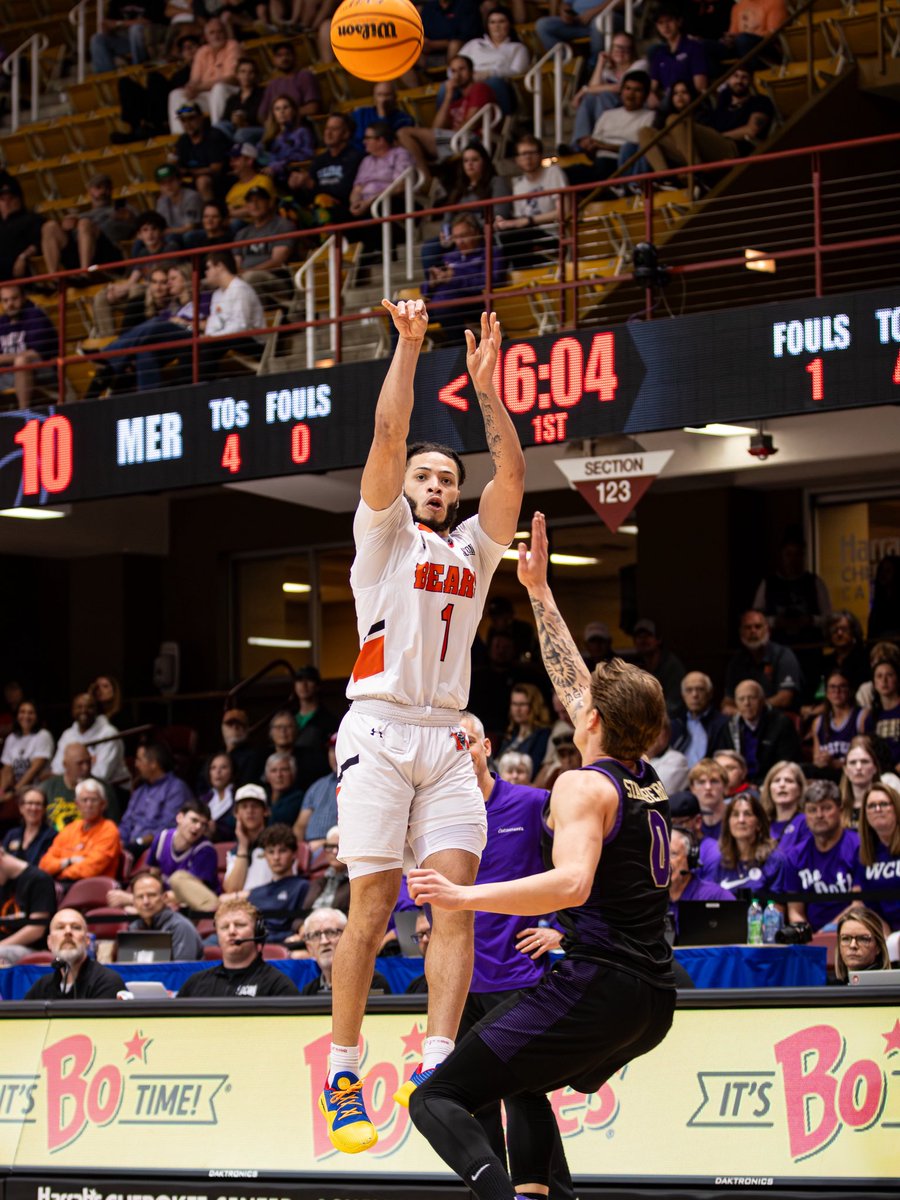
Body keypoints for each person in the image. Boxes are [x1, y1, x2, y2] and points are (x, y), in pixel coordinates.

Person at [406, 510, 676, 1200]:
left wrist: (463, 898)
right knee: (521, 1086)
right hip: (653, 998)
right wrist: (537, 591)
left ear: (592, 720)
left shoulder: (583, 784)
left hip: (600, 985)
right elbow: (576, 684)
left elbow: (573, 882)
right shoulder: (644, 777)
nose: (576, 696)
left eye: (586, 699)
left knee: (436, 1101)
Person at [318, 301, 524, 1154]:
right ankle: (341, 1069)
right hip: (375, 727)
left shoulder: (476, 549)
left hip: (445, 736)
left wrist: (488, 392)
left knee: (454, 905)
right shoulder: (381, 535)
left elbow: (511, 474)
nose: (437, 483)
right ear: (403, 488)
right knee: (370, 909)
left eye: (448, 477)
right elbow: (388, 432)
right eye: (424, 475)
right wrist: (407, 349)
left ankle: (440, 1065)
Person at [453, 710, 575, 1200]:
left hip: (519, 975)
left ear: (487, 746)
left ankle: (550, 1195)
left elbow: (583, 865)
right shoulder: (437, 816)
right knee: (473, 1101)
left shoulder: (531, 804)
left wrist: (559, 928)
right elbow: (405, 886)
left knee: (525, 1093)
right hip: (459, 982)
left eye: (465, 740)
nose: (457, 751)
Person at [397, 56, 496, 186]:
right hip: (454, 138)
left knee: (404, 133)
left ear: (471, 71)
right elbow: (436, 128)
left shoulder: (479, 88)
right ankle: (428, 182)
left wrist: (453, 132)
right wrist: (448, 95)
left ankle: (427, 182)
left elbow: (471, 123)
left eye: (462, 69)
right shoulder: (456, 101)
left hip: (471, 138)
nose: (457, 75)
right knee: (404, 143)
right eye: (453, 71)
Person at [178, 897, 300, 996]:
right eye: (224, 927)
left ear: (257, 932)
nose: (231, 931)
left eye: (240, 925)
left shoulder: (278, 986)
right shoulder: (195, 984)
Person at [783, 780, 859, 932]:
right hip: (811, 937)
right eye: (812, 810)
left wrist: (828, 932)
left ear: (841, 810)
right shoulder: (795, 856)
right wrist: (807, 935)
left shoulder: (858, 846)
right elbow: (795, 910)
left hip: (852, 931)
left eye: (826, 808)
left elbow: (859, 905)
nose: (819, 815)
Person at [424, 214, 505, 339]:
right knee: (399, 309)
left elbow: (492, 281)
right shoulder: (449, 257)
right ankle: (394, 357)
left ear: (476, 233)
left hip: (472, 303)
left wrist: (454, 278)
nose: (460, 242)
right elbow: (426, 291)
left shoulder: (490, 253)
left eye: (464, 236)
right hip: (438, 305)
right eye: (456, 237)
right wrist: (431, 283)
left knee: (444, 309)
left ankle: (460, 352)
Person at [41, 174, 141, 276]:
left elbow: (142, 226)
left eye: (107, 187)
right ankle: (54, 277)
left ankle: (85, 273)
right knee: (50, 227)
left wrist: (130, 218)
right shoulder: (81, 215)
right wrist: (66, 226)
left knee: (85, 223)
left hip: (109, 252)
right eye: (98, 187)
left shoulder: (123, 209)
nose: (103, 191)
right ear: (89, 191)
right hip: (79, 253)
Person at [568, 71, 656, 184]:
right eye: (627, 89)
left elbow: (637, 149)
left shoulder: (651, 117)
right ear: (621, 91)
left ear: (646, 95)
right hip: (598, 163)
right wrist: (588, 146)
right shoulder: (607, 115)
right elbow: (594, 145)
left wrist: (604, 146)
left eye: (637, 90)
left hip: (623, 164)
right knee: (564, 173)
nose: (630, 94)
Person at [495, 134, 567, 269]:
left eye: (531, 152)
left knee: (514, 236)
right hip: (529, 237)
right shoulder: (518, 186)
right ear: (517, 159)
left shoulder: (553, 172)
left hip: (554, 235)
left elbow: (564, 211)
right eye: (523, 154)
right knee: (503, 234)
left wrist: (530, 221)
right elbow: (519, 220)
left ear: (540, 155)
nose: (527, 157)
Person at [712, 679, 802, 784]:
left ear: (762, 700)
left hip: (771, 782)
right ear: (735, 703)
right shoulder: (729, 727)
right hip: (738, 784)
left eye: (752, 698)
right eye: (741, 699)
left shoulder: (781, 723)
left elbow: (787, 763)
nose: (747, 703)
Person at [571, 32, 649, 150]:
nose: (620, 51)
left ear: (632, 50)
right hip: (612, 106)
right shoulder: (609, 69)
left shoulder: (640, 64)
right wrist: (600, 62)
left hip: (630, 104)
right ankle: (582, 141)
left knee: (604, 95)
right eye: (617, 47)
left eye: (625, 48)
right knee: (589, 99)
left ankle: (600, 139)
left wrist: (584, 90)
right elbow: (594, 86)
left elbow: (619, 88)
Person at [24, 909, 126, 1000]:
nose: (68, 932)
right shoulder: (41, 987)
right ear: (49, 942)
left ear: (87, 940)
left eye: (76, 927)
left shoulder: (107, 982)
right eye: (60, 927)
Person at [119, 742, 194, 858]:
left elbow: (170, 827)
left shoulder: (176, 788)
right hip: (130, 847)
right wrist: (119, 840)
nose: (136, 764)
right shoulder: (139, 791)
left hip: (155, 849)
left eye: (139, 760)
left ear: (153, 763)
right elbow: (126, 823)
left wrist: (141, 841)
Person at [39, 779, 121, 884]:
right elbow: (45, 864)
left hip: (91, 887)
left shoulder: (109, 829)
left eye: (94, 800)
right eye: (84, 800)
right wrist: (68, 861)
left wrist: (59, 873)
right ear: (77, 804)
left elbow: (90, 869)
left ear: (103, 804)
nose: (89, 805)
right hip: (62, 883)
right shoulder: (70, 828)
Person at [701, 793, 786, 894]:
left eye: (747, 814)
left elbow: (778, 907)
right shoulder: (718, 861)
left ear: (758, 824)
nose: (741, 820)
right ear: (728, 823)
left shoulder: (775, 860)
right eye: (735, 815)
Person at [168, 17, 240, 133]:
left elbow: (230, 78)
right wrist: (190, 89)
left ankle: (218, 132)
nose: (216, 36)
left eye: (219, 32)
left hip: (230, 92)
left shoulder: (232, 45)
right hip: (207, 96)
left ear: (225, 33)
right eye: (212, 33)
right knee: (176, 94)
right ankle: (180, 136)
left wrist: (199, 87)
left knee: (219, 88)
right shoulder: (202, 51)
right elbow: (194, 80)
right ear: (206, 37)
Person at [289, 113, 362, 228]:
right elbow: (308, 196)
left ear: (346, 134)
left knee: (322, 200)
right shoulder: (319, 160)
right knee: (286, 205)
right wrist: (297, 187)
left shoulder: (355, 157)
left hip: (344, 211)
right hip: (317, 210)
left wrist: (313, 185)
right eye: (327, 128)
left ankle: (329, 243)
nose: (328, 133)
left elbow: (345, 191)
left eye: (334, 129)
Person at [146, 798, 220, 909]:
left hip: (199, 908)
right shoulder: (162, 838)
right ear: (179, 817)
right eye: (194, 820)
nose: (198, 827)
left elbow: (191, 893)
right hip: (167, 901)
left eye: (203, 824)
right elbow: (154, 877)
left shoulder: (206, 850)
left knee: (177, 878)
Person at [723, 610, 803, 712]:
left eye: (758, 626)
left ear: (767, 630)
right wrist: (742, 712)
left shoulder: (783, 655)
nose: (753, 631)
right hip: (745, 717)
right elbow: (727, 702)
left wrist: (753, 709)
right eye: (748, 628)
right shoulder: (736, 661)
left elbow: (785, 698)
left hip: (777, 716)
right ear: (741, 632)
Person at [300, 907, 391, 995]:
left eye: (331, 932)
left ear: (348, 939)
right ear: (309, 948)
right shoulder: (309, 991)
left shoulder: (371, 982)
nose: (324, 941)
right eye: (316, 935)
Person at [459, 7, 531, 115]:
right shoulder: (474, 44)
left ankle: (505, 121)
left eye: (501, 22)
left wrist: (490, 73)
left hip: (497, 83)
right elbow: (455, 65)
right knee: (446, 88)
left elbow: (518, 71)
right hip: (469, 80)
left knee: (493, 82)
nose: (496, 26)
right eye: (492, 22)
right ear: (487, 26)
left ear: (509, 24)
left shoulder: (518, 48)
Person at [202, 250, 266, 371]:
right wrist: (210, 336)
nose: (206, 273)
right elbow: (212, 325)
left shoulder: (240, 288)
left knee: (208, 346)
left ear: (220, 266)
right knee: (198, 347)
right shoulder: (217, 294)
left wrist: (212, 337)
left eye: (209, 268)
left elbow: (241, 326)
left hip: (253, 342)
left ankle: (204, 384)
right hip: (227, 340)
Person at [50, 692, 129, 790]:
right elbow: (57, 769)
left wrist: (73, 777)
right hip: (75, 788)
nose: (84, 711)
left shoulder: (109, 733)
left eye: (89, 707)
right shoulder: (67, 734)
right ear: (72, 710)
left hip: (112, 789)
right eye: (79, 707)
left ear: (96, 710)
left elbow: (102, 774)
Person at [233, 186, 296, 308]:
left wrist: (249, 272)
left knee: (250, 278)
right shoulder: (242, 233)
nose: (255, 204)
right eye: (251, 201)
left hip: (277, 279)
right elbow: (236, 263)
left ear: (270, 202)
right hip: (246, 277)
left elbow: (277, 261)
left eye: (259, 200)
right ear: (246, 206)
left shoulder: (282, 225)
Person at [667, 827, 733, 940]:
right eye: (659, 855)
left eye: (673, 854)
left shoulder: (714, 896)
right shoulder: (649, 899)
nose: (664, 862)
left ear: (690, 859)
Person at [246, 824, 308, 942]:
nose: (276, 857)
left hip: (282, 944)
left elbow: (299, 925)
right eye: (270, 852)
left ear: (294, 854)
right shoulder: (255, 893)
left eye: (282, 851)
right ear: (265, 855)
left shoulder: (302, 887)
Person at [127, 867, 204, 960]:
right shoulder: (134, 928)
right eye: (140, 897)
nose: (146, 902)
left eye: (151, 895)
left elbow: (182, 972)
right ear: (134, 901)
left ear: (164, 897)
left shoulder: (181, 927)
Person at [0, 284, 56, 411]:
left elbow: (35, 353)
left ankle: (23, 412)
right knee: (20, 360)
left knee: (22, 361)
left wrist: (5, 358)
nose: (10, 304)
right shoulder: (1, 323)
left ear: (24, 297)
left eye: (14, 299)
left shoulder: (36, 317)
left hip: (42, 370)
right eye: (5, 300)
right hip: (8, 373)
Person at [0, 846, 57, 965]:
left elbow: (36, 930)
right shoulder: (3, 882)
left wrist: (1, 945)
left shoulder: (39, 880)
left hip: (31, 948)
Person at [856, 783, 900, 932]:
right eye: (871, 806)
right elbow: (870, 905)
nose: (878, 810)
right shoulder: (864, 854)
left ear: (896, 808)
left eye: (883, 804)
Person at [39, 743, 113, 831]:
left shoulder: (102, 789)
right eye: (80, 763)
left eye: (88, 762)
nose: (86, 768)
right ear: (65, 765)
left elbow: (113, 825)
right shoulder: (47, 788)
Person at [810, 668, 868, 776]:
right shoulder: (818, 722)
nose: (837, 691)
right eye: (832, 687)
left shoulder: (861, 717)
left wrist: (836, 764)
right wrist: (822, 761)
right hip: (826, 777)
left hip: (853, 775)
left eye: (842, 686)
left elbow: (868, 758)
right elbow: (816, 761)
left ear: (850, 690)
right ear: (826, 692)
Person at [648, 5, 709, 102]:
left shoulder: (693, 47)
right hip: (667, 101)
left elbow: (700, 86)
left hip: (688, 100)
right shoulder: (659, 53)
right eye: (660, 23)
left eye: (669, 21)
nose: (665, 26)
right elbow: (652, 85)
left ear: (679, 22)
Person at [292, 665, 338, 790]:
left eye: (309, 680)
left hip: (317, 781)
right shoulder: (289, 717)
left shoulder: (329, 720)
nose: (304, 685)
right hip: (291, 780)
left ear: (317, 685)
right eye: (299, 680)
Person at [839, 734, 900, 827]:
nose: (858, 767)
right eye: (853, 762)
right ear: (845, 770)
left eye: (864, 762)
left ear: (875, 768)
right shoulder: (837, 805)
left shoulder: (889, 803)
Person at [174, 104, 232, 202]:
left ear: (201, 118)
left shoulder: (214, 136)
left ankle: (210, 213)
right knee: (169, 184)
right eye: (183, 121)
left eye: (191, 119)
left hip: (222, 180)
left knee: (202, 181)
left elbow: (216, 169)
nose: (187, 124)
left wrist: (189, 172)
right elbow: (180, 167)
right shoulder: (183, 140)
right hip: (194, 179)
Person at [670, 671, 728, 767]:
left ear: (710, 694)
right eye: (689, 690)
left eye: (700, 689)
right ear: (683, 695)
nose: (695, 695)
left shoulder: (722, 724)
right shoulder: (675, 723)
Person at [222, 783, 273, 893]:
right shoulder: (234, 851)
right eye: (244, 806)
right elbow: (232, 889)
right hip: (238, 907)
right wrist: (243, 847)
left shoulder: (276, 844)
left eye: (255, 806)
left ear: (266, 811)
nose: (249, 811)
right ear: (236, 813)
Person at [0, 700, 54, 801]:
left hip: (38, 790)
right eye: (22, 712)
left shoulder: (43, 735)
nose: (26, 716)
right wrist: (2, 792)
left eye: (31, 713)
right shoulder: (12, 738)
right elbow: (7, 769)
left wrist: (14, 791)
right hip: (16, 792)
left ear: (37, 716)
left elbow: (34, 769)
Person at [90, 0, 163, 74]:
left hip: (149, 37)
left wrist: (119, 23)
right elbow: (110, 23)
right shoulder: (116, 2)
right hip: (125, 41)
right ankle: (107, 77)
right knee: (97, 39)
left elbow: (147, 21)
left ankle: (137, 68)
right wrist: (106, 27)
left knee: (135, 29)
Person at [259, 94, 316, 188]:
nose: (281, 112)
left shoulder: (302, 132)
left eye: (285, 107)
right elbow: (261, 156)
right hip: (269, 177)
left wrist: (283, 163)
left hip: (292, 174)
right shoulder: (269, 136)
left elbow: (307, 153)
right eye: (277, 109)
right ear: (273, 113)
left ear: (293, 111)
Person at [535, 0, 610, 69]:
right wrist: (565, 12)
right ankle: (570, 61)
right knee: (543, 25)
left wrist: (592, 12)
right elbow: (566, 3)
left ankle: (593, 67)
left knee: (598, 22)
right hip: (576, 20)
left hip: (605, 18)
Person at [498, 683, 552, 779]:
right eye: (514, 704)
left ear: (534, 706)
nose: (517, 709)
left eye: (522, 704)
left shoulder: (543, 735)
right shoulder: (511, 734)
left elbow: (533, 770)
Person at [257, 42, 321, 122]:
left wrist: (287, 115)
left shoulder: (305, 76)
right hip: (276, 128)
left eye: (288, 54)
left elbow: (313, 108)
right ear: (274, 60)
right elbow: (262, 114)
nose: (284, 58)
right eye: (279, 55)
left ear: (295, 57)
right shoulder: (272, 84)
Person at [294, 735, 338, 850]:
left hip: (337, 850)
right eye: (332, 750)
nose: (336, 756)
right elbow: (300, 826)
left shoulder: (357, 783)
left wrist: (324, 844)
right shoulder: (318, 785)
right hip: (310, 850)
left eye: (339, 749)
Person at [0, 178, 45, 285]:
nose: (7, 202)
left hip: (20, 273)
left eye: (11, 198)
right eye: (2, 199)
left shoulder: (32, 219)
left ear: (19, 199)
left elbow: (39, 242)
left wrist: (23, 256)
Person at [833, 906, 892, 983]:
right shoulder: (829, 987)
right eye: (846, 938)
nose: (853, 945)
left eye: (863, 939)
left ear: (878, 947)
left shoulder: (892, 987)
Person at [215, 56, 265, 145]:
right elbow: (224, 119)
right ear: (237, 75)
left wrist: (245, 121)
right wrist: (233, 120)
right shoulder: (233, 99)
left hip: (257, 128)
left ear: (255, 75)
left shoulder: (262, 94)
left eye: (251, 72)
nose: (246, 76)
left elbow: (264, 118)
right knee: (218, 128)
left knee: (241, 134)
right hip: (236, 130)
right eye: (243, 72)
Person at [350, 82, 414, 152]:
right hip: (357, 153)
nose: (383, 99)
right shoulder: (361, 113)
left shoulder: (404, 119)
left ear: (395, 97)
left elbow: (385, 140)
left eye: (387, 95)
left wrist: (382, 114)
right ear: (374, 97)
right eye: (379, 95)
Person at [759, 759, 808, 848]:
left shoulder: (806, 822)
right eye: (777, 780)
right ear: (769, 789)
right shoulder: (762, 824)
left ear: (800, 789)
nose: (782, 785)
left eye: (789, 781)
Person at [2, 788, 55, 865]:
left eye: (38, 804)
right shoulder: (12, 834)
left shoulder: (52, 836)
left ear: (44, 809)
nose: (33, 808)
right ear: (21, 808)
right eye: (30, 803)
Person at [865, 656, 900, 771]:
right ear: (874, 683)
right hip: (881, 771)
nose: (884, 681)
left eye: (889, 675)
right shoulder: (872, 717)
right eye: (879, 676)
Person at [154, 165, 204, 243]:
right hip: (174, 234)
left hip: (195, 234)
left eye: (170, 181)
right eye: (163, 183)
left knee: (177, 237)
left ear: (180, 180)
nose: (168, 186)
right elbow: (160, 226)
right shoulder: (161, 200)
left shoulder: (192, 196)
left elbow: (190, 228)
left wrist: (167, 231)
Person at [648, 717, 690, 794]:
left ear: (668, 734)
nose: (652, 734)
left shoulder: (677, 760)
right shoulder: (631, 759)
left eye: (657, 729)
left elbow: (655, 794)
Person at [201, 751, 237, 840]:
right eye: (213, 768)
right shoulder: (203, 800)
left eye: (223, 767)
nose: (218, 772)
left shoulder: (238, 797)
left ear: (232, 771)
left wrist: (216, 828)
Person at [263, 752, 304, 826]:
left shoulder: (299, 798)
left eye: (284, 770)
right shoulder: (262, 795)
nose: (279, 775)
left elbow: (281, 817)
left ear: (293, 774)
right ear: (267, 776)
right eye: (274, 770)